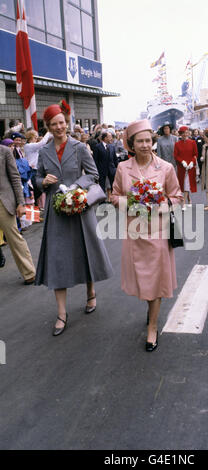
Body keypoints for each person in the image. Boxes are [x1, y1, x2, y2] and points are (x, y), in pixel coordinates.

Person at [35, 101, 113, 336]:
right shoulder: (44, 151)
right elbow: (37, 179)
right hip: (56, 213)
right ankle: (61, 313)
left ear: (66, 123)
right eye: (54, 124)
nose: (60, 127)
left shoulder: (80, 147)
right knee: (57, 259)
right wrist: (43, 183)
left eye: (62, 122)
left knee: (84, 252)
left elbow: (93, 174)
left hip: (79, 208)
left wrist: (75, 187)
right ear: (48, 126)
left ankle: (91, 293)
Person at [111, 119, 183, 352]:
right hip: (135, 233)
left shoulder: (165, 168)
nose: (145, 145)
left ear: (153, 142)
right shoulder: (123, 168)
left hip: (159, 232)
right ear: (131, 144)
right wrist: (133, 202)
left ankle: (152, 327)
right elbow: (114, 196)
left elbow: (177, 197)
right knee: (144, 281)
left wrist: (159, 203)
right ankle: (151, 308)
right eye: (140, 141)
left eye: (148, 141)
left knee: (157, 281)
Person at [0, 144, 36, 283]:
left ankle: (29, 272)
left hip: (3, 201)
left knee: (14, 237)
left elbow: (15, 178)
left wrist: (21, 203)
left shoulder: (4, 151)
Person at [24, 129, 52, 207]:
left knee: (38, 190)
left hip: (36, 170)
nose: (36, 139)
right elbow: (42, 143)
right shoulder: (29, 145)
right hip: (31, 171)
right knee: (35, 190)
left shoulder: (33, 146)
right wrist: (49, 132)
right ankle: (34, 208)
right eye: (35, 137)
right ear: (30, 137)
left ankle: (36, 207)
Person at [174, 126, 198, 209]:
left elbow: (195, 154)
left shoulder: (192, 142)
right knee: (183, 184)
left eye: (186, 132)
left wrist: (192, 162)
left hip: (190, 167)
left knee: (187, 183)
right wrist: (182, 162)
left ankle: (183, 202)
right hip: (182, 167)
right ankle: (189, 199)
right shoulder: (177, 144)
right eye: (183, 133)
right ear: (180, 134)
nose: (185, 134)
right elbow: (176, 155)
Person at [92, 131, 117, 200]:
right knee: (102, 186)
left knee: (113, 186)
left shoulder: (112, 147)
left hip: (111, 170)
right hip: (101, 170)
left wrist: (116, 168)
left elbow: (115, 159)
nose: (111, 138)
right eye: (110, 137)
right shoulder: (97, 147)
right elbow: (95, 160)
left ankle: (113, 199)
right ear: (105, 138)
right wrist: (96, 171)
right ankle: (102, 201)